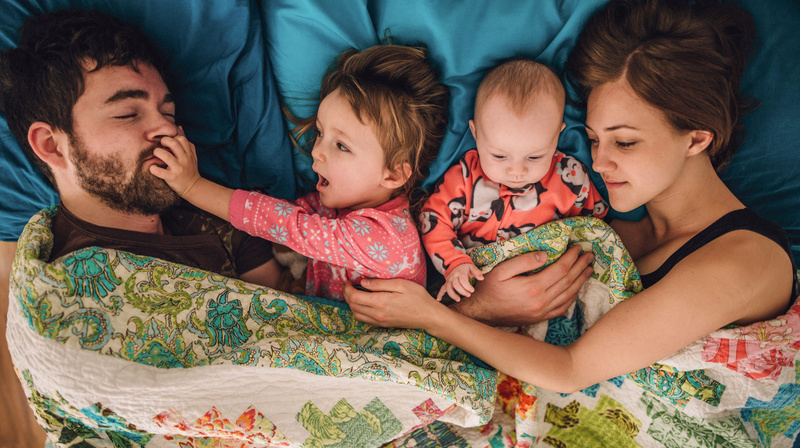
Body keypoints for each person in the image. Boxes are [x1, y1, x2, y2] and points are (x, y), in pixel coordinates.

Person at [345, 0, 797, 398]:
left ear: (696, 139)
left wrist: (434, 317)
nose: (599, 163)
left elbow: (572, 370)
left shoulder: (748, 258)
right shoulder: (602, 224)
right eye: (595, 139)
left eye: (625, 143)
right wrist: (483, 306)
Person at [0, 9, 281, 287]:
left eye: (169, 113)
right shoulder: (61, 286)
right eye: (127, 114)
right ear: (51, 145)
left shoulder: (219, 213)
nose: (169, 129)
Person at [150, 45, 450, 301]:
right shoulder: (344, 204)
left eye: (341, 146)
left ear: (394, 175)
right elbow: (300, 213)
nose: (316, 151)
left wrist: (192, 187)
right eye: (319, 133)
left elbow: (286, 224)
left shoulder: (386, 237)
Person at [421, 58, 607, 302]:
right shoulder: (465, 178)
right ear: (476, 135)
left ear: (557, 137)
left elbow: (598, 226)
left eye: (534, 156)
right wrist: (455, 263)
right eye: (499, 155)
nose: (517, 171)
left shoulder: (570, 177)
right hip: (475, 286)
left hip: (549, 287)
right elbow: (433, 219)